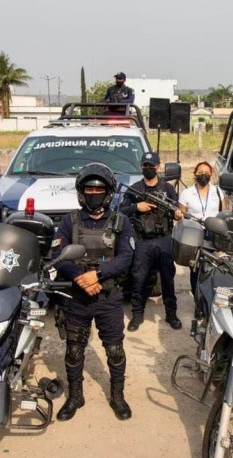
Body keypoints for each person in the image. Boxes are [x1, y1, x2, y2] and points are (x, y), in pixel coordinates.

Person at [51, 163, 135, 421]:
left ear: (108, 192)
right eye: (89, 188)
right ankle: (75, 397)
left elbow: (126, 256)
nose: (94, 193)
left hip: (109, 297)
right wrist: (80, 277)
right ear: (81, 192)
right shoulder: (69, 221)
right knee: (74, 350)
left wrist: (98, 275)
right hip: (78, 298)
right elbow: (58, 255)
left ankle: (118, 396)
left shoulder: (121, 222)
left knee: (114, 350)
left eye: (99, 189)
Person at [119, 151, 181, 331]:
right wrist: (137, 207)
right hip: (142, 241)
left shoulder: (167, 189)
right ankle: (137, 315)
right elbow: (122, 211)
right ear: (141, 167)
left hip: (164, 239)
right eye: (145, 165)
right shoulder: (135, 189)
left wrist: (177, 214)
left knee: (168, 279)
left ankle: (171, 314)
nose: (148, 168)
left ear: (158, 166)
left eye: (151, 166)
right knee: (139, 279)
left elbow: (176, 209)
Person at [178, 161, 225, 292]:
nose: (203, 175)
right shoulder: (186, 193)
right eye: (200, 172)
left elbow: (223, 214)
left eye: (206, 172)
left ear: (211, 174)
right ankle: (197, 299)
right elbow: (181, 216)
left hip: (213, 234)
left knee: (213, 266)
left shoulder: (217, 191)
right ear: (195, 174)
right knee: (196, 268)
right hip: (194, 235)